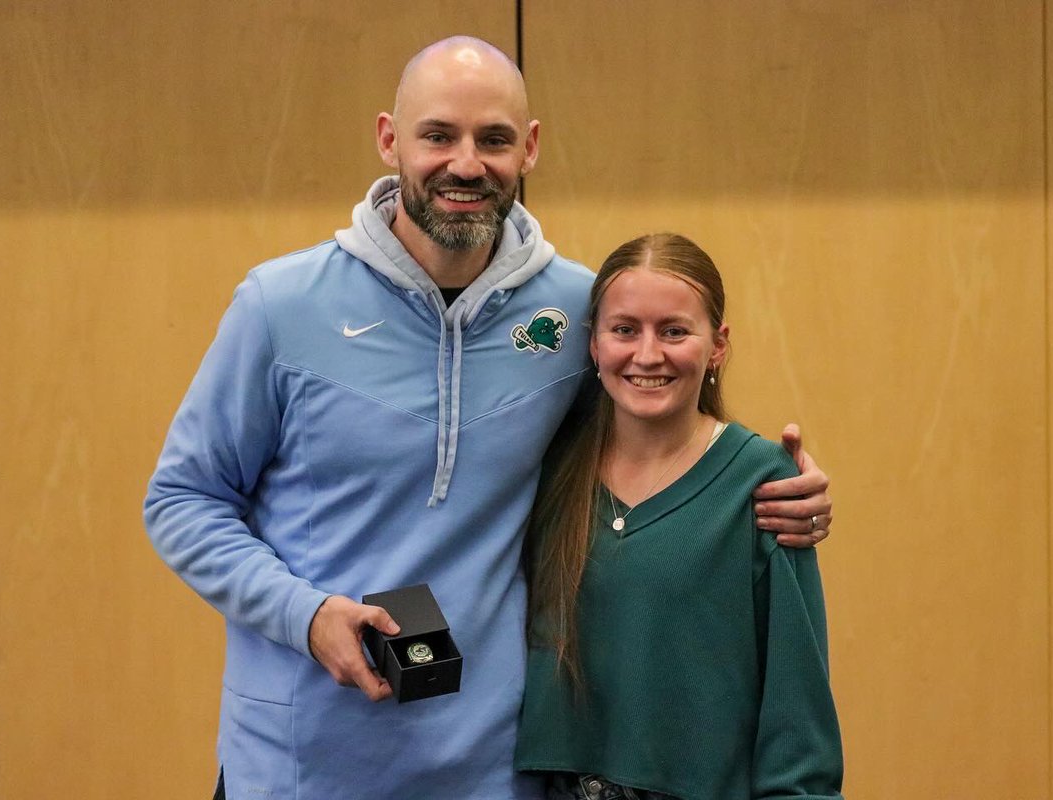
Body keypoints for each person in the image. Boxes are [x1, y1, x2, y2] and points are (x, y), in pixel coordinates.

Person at [143, 37, 833, 800]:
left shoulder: (573, 312)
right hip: (303, 764)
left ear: (528, 149)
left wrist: (775, 493)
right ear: (388, 139)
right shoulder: (280, 307)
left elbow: (650, 442)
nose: (466, 165)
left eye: (493, 139)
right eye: (438, 135)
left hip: (492, 771)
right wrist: (304, 615)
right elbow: (181, 501)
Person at [515, 233, 844, 799]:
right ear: (593, 344)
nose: (647, 355)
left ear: (717, 345)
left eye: (674, 331)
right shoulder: (548, 469)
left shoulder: (761, 483)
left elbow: (798, 706)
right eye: (624, 330)